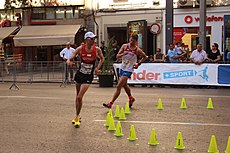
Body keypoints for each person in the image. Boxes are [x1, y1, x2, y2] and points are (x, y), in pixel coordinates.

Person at [66, 31, 104, 127]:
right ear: (86, 39)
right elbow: (71, 57)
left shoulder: (97, 50)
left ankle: (77, 116)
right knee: (77, 97)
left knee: (80, 97)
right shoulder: (80, 49)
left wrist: (98, 67)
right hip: (79, 75)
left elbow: (102, 59)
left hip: (88, 77)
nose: (93, 40)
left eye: (94, 38)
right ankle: (77, 115)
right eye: (91, 39)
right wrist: (69, 61)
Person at [103, 33, 147, 109]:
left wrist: (138, 64)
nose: (131, 42)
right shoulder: (124, 46)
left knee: (118, 86)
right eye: (130, 40)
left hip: (129, 69)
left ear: (136, 41)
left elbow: (145, 57)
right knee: (125, 85)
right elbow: (117, 56)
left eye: (133, 41)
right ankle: (131, 98)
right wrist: (124, 53)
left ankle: (110, 103)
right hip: (122, 67)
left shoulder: (137, 50)